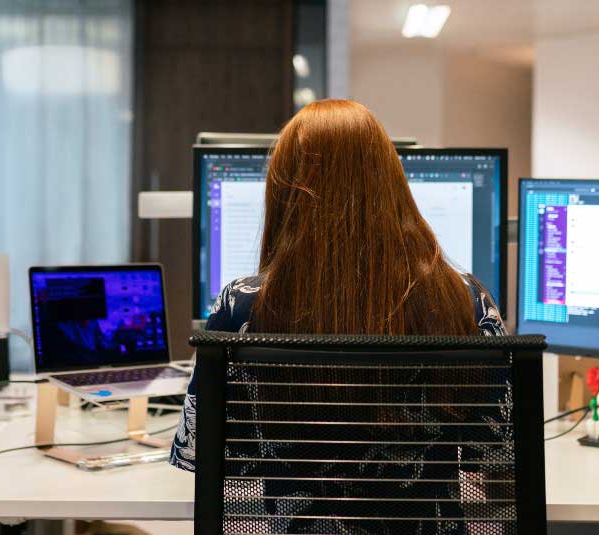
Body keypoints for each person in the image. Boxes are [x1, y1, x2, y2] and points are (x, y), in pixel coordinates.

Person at [169, 99, 506, 532]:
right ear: (392, 184)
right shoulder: (466, 299)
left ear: (283, 192)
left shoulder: (241, 306)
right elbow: (501, 462)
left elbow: (199, 452)